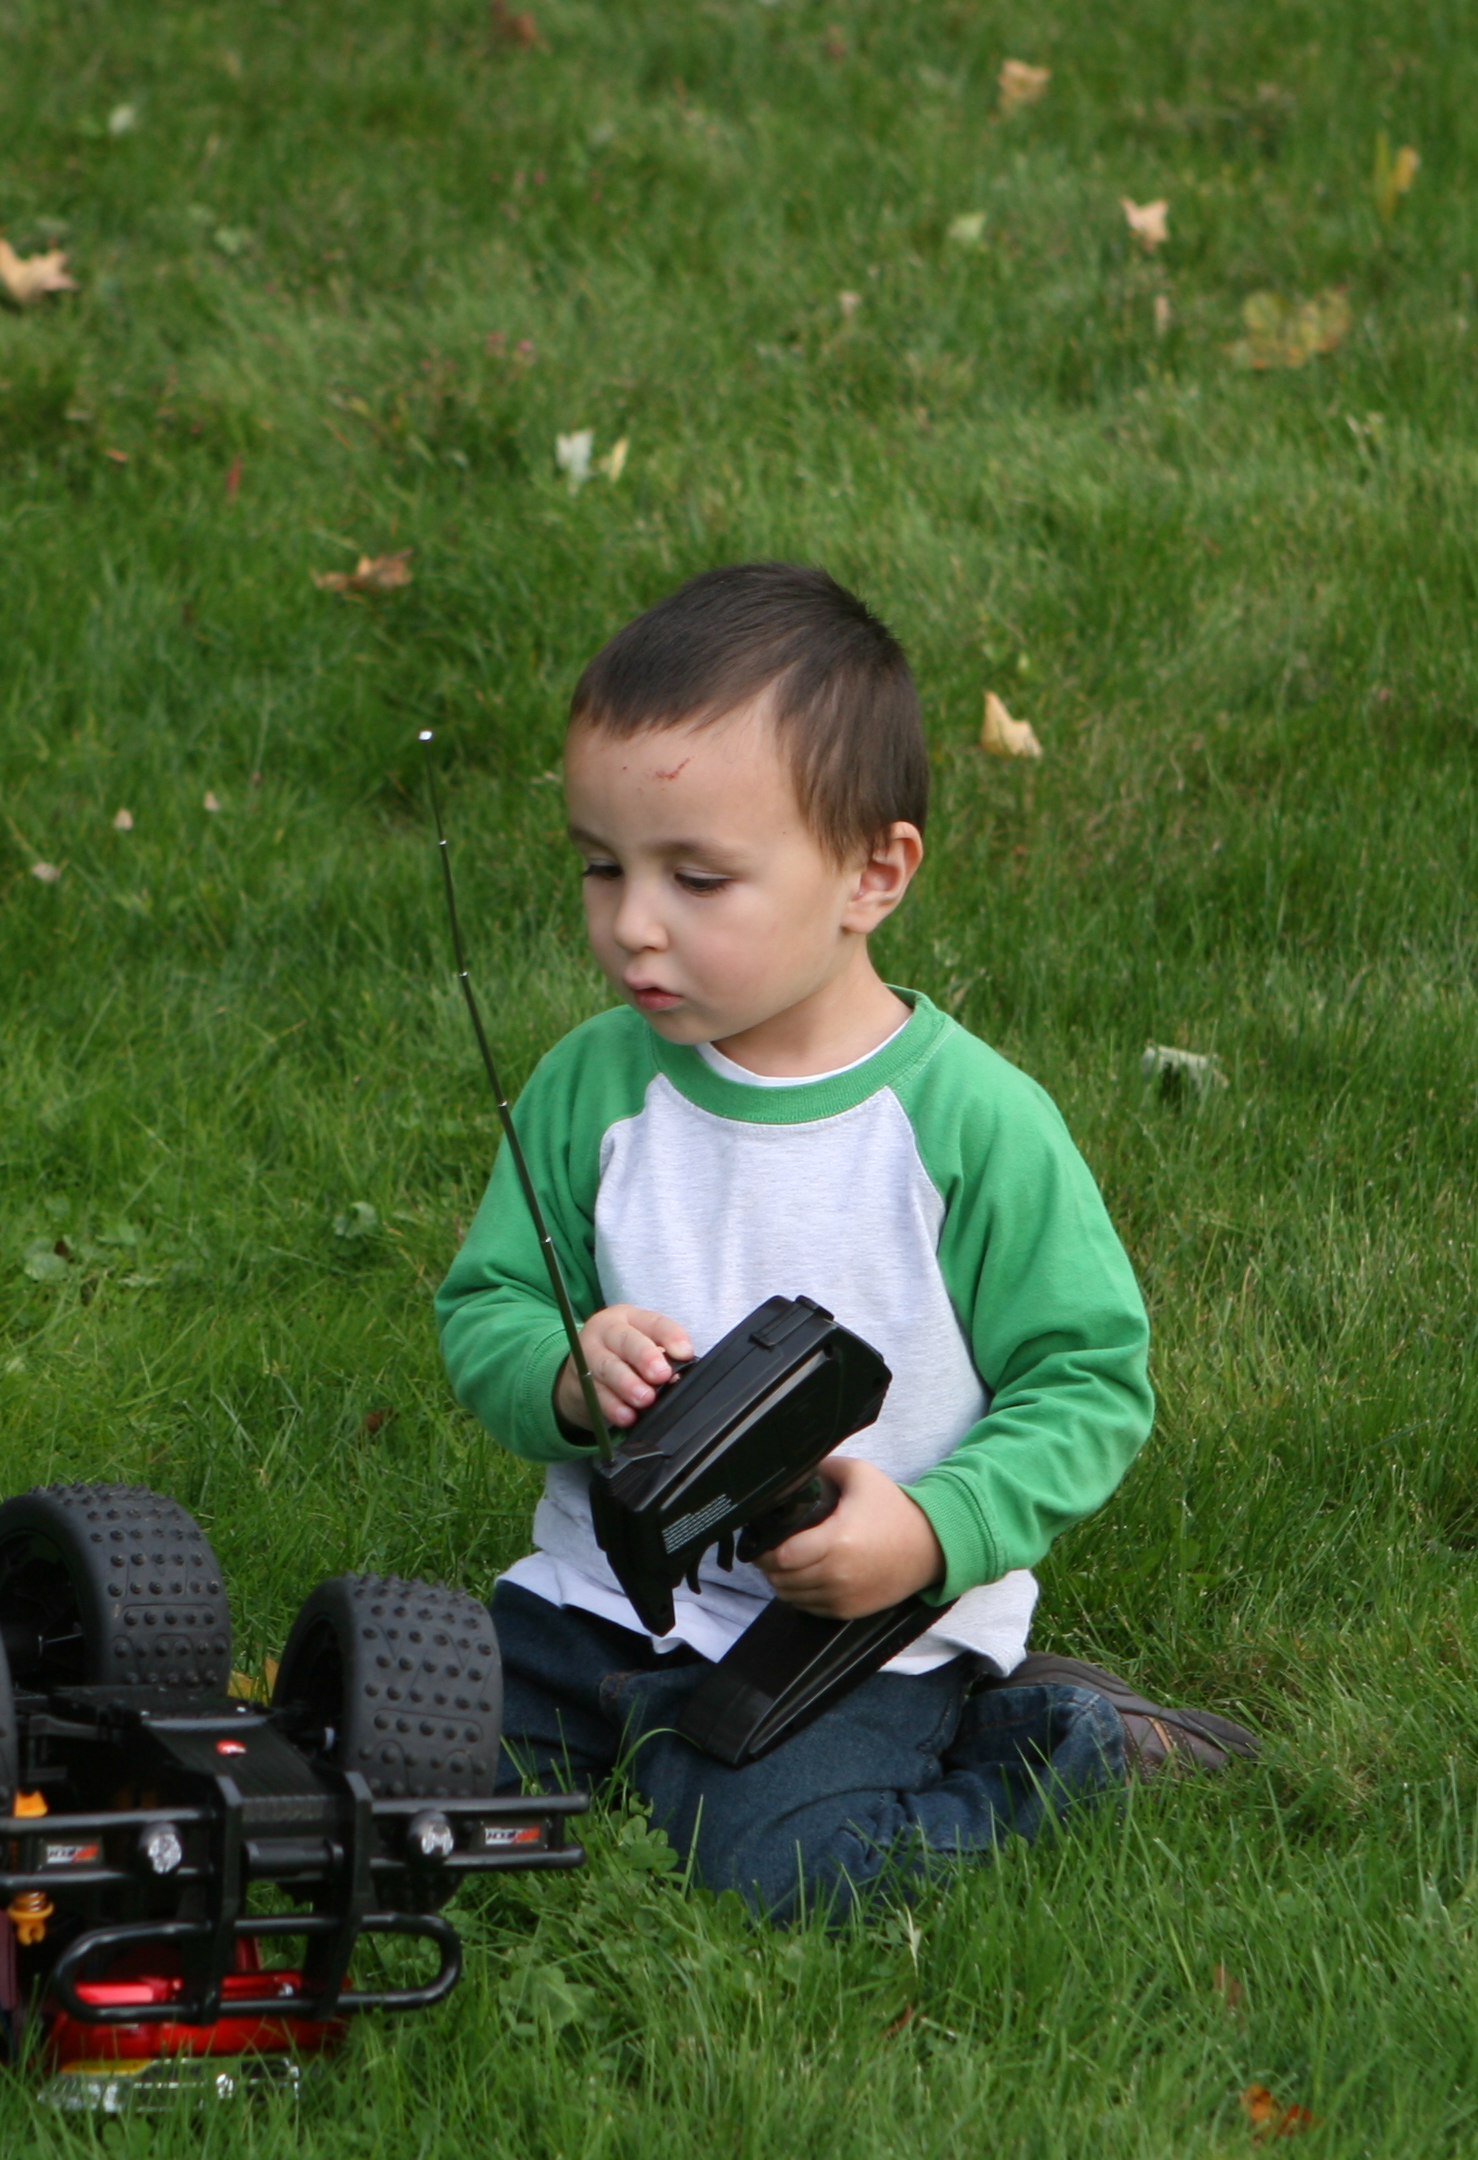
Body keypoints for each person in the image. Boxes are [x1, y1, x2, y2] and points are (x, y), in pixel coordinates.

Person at [435, 562, 1257, 1925]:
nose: (631, 922)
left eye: (699, 878)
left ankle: (1064, 1740)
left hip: (858, 1636)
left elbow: (1090, 1381)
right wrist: (566, 1373)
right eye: (602, 865)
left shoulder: (969, 1124)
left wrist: (932, 1532)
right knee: (400, 1772)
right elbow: (490, 1304)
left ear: (873, 873)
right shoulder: (593, 1087)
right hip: (590, 1608)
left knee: (776, 1874)